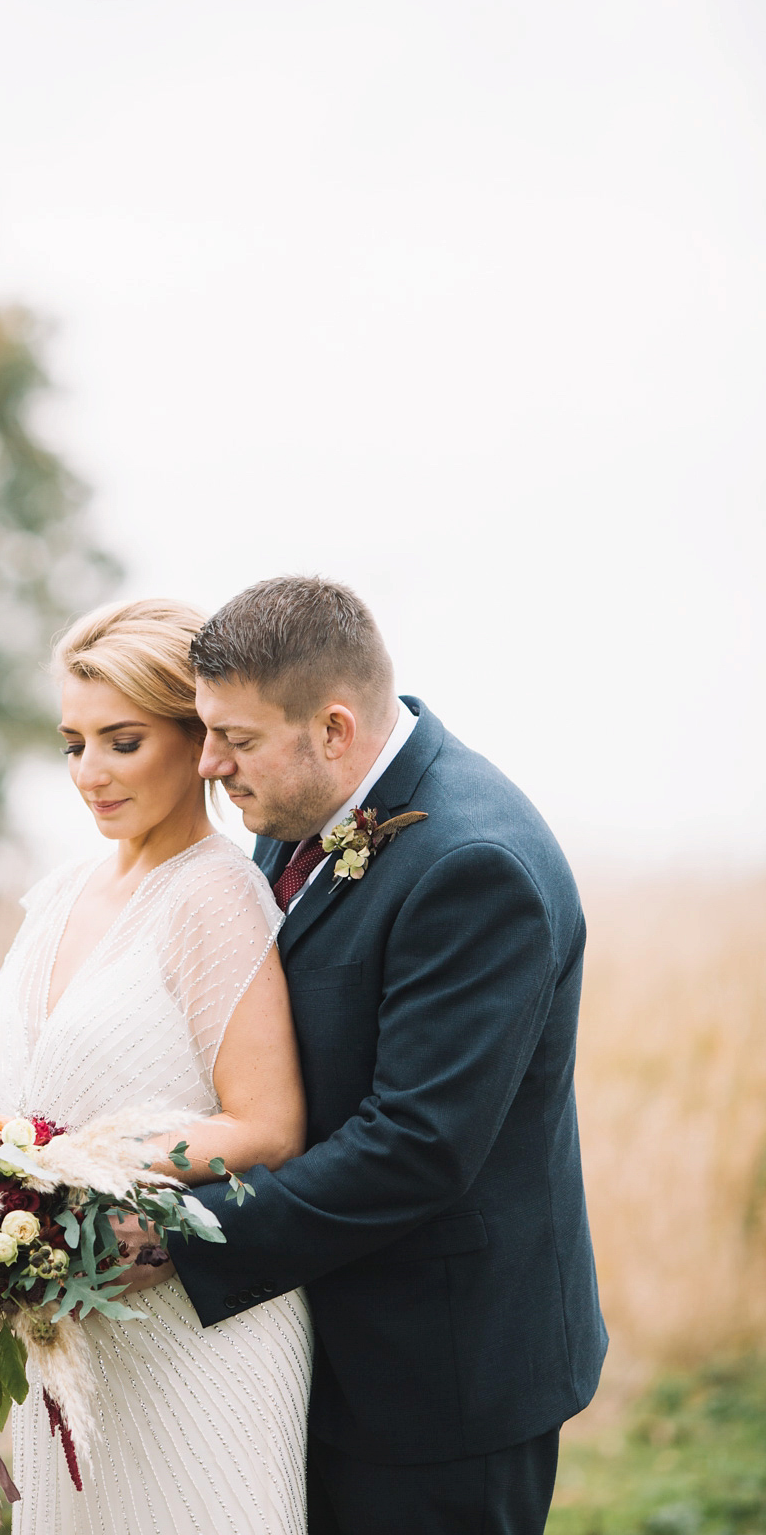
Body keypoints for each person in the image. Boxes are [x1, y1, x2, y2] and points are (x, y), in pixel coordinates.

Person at [120, 574, 607, 1535]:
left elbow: (416, 1145)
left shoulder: (475, 866)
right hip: (321, 1342)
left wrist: (183, 1234)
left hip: (442, 1374)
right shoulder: (296, 815)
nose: (210, 764)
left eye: (238, 739)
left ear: (336, 729)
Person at [0, 598, 314, 1535]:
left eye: (121, 742)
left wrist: (69, 1173)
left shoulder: (217, 898)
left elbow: (267, 1125)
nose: (90, 774)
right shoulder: (59, 895)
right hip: (69, 1340)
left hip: (189, 1332)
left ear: (196, 739)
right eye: (73, 744)